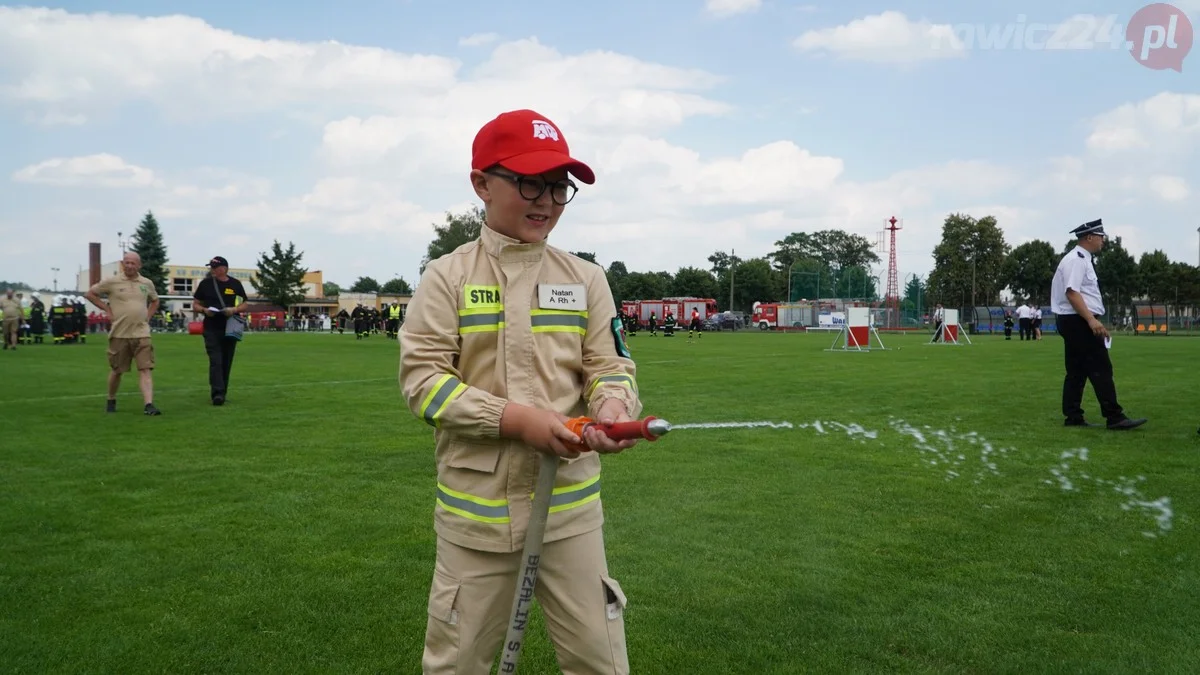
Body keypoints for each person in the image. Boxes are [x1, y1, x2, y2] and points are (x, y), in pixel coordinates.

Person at [399, 108, 642, 674]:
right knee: (458, 665)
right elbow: (423, 384)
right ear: (482, 184)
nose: (547, 201)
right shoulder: (447, 277)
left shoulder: (585, 278)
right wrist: (516, 420)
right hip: (475, 523)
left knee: (601, 663)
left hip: (570, 516)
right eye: (530, 182)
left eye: (559, 187)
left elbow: (610, 365)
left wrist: (611, 404)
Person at [1051, 219, 1145, 430]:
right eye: (1101, 236)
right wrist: (1091, 319)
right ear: (1089, 237)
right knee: (1101, 367)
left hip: (1074, 319)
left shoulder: (1080, 259)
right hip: (1077, 320)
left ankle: (1073, 416)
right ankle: (1115, 417)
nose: (1103, 240)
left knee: (1077, 370)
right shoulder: (1077, 260)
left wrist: (1092, 317)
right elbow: (1072, 292)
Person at [84, 252, 163, 415]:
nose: (129, 266)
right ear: (122, 264)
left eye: (133, 263)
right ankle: (111, 398)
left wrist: (148, 316)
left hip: (142, 333)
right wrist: (106, 309)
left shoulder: (146, 283)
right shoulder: (112, 282)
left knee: (145, 369)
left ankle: (148, 404)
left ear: (139, 265)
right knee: (117, 370)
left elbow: (155, 300)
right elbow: (90, 294)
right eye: (126, 263)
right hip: (120, 334)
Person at [191, 256, 247, 406]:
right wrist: (204, 310)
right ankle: (217, 394)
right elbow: (195, 304)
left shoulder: (235, 284)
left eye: (215, 267)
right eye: (211, 267)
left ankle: (223, 391)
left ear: (224, 268)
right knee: (216, 360)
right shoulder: (206, 284)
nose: (213, 270)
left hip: (230, 327)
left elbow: (244, 304)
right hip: (211, 327)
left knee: (226, 361)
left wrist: (234, 309)